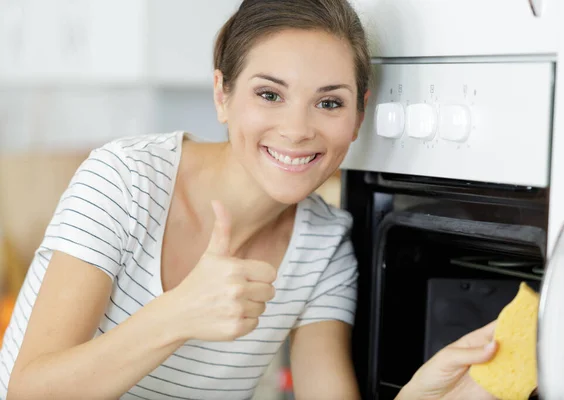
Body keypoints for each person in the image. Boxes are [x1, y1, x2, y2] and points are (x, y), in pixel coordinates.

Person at [0, 0, 500, 399]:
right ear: (222, 93)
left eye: (329, 102)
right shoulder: (126, 180)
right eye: (269, 95)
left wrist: (420, 396)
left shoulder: (323, 248)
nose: (297, 130)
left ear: (358, 114)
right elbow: (29, 390)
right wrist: (179, 313)